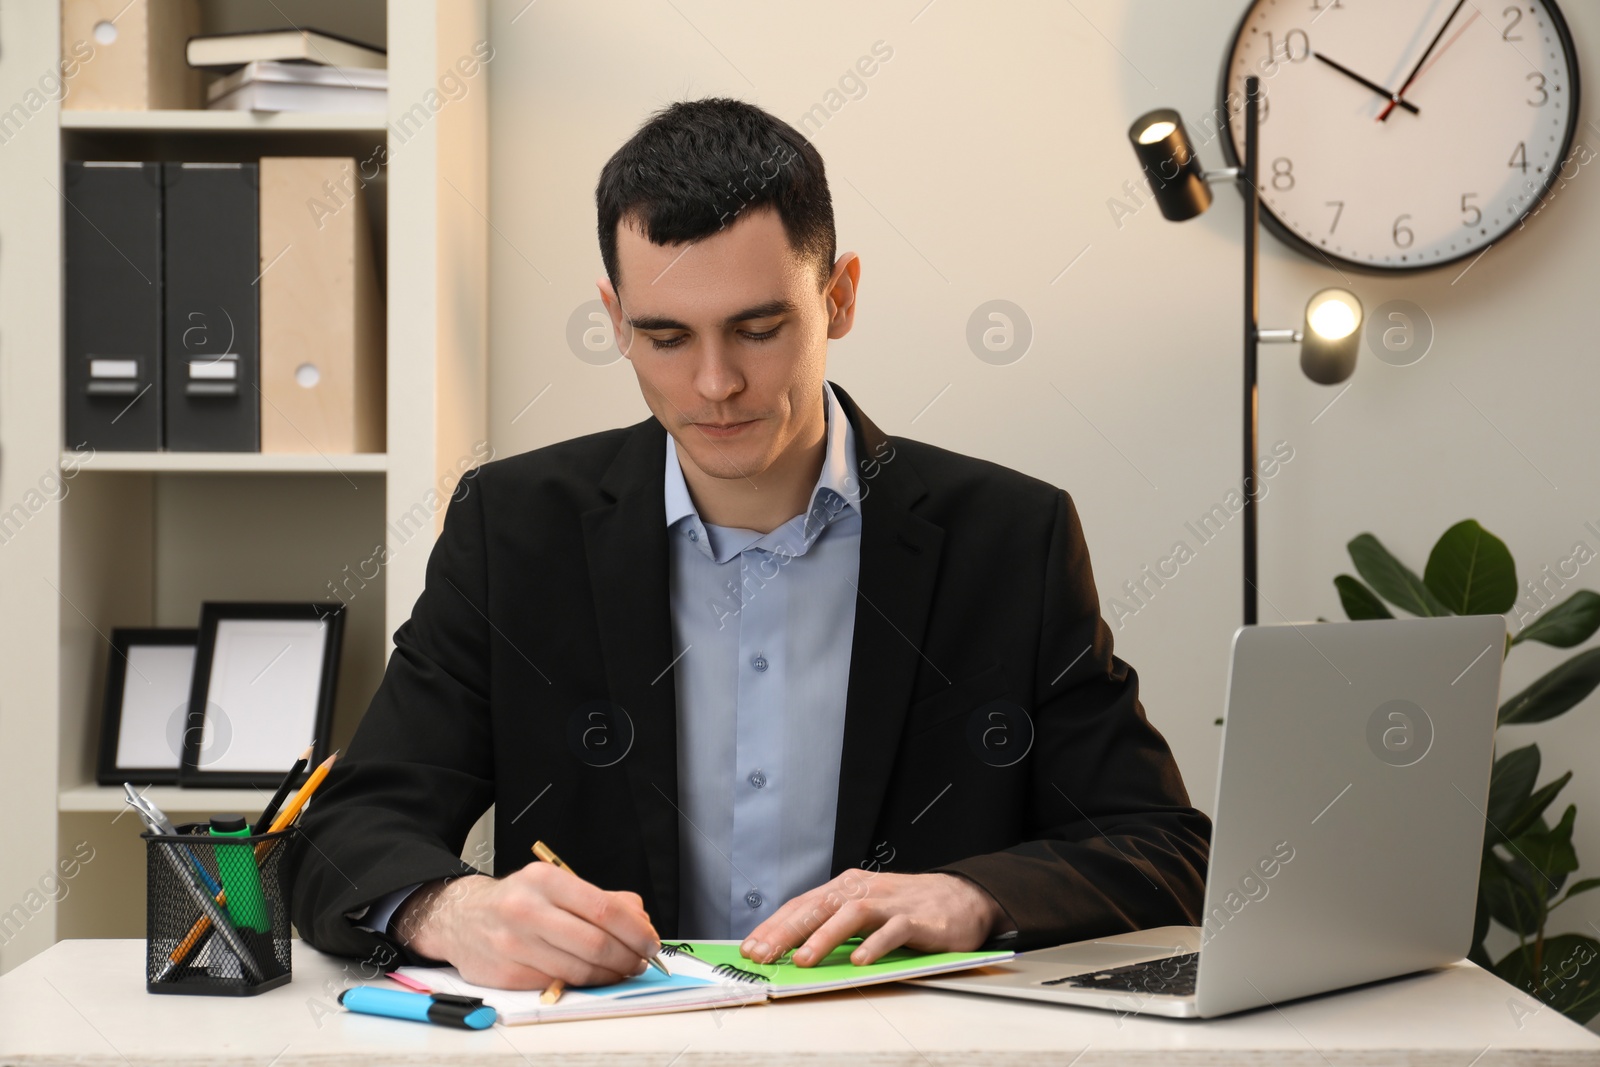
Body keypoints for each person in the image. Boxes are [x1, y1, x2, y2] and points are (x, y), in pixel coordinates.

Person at [288, 97, 1210, 991]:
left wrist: (975, 895)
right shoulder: (514, 529)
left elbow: (1165, 845)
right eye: (665, 337)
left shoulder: (1010, 537)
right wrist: (448, 910)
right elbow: (343, 832)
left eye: (758, 329)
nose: (715, 382)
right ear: (614, 318)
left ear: (839, 297)